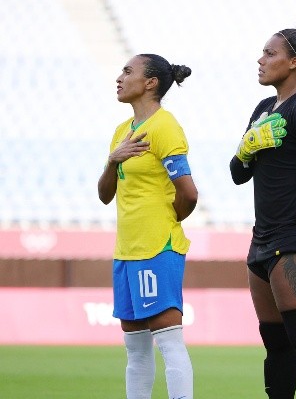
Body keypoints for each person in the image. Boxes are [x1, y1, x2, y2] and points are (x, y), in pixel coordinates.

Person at [229, 18, 296, 399]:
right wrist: (246, 149)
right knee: (275, 343)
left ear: (293, 62)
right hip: (263, 239)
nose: (260, 59)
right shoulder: (263, 108)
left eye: (269, 53)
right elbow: (237, 174)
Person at [98, 54, 198, 399]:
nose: (119, 77)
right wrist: (112, 161)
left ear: (150, 82)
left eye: (128, 71)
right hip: (126, 251)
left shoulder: (164, 126)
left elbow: (189, 193)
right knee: (135, 350)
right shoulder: (121, 132)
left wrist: (166, 223)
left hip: (156, 248)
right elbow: (104, 194)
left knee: (168, 342)